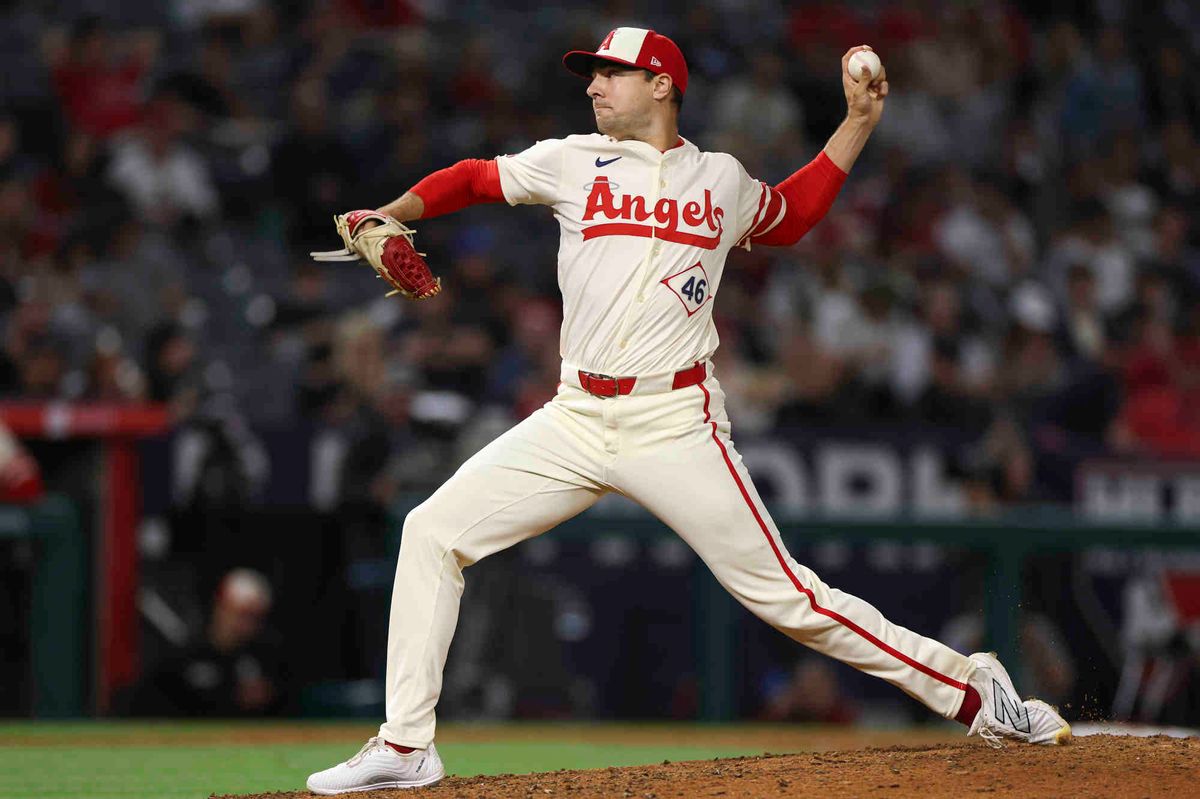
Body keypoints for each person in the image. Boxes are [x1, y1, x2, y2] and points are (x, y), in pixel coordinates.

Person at [306, 28, 1071, 795]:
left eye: (612, 74)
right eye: (594, 74)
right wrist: (390, 210)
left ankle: (978, 691)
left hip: (675, 418)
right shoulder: (571, 158)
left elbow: (793, 215)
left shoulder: (723, 179)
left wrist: (858, 123)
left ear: (662, 85)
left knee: (791, 597)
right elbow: (473, 178)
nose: (594, 86)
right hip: (574, 413)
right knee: (431, 531)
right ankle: (406, 744)